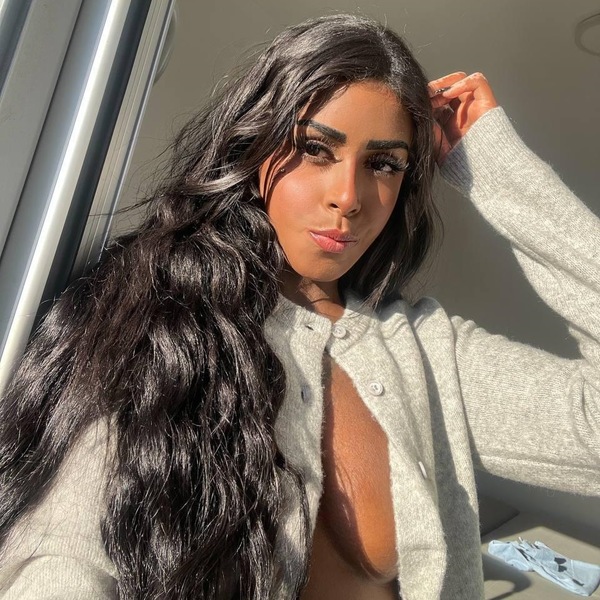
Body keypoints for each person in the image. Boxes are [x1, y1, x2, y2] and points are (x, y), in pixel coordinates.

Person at [0, 12, 598, 600]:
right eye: (316, 149)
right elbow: (62, 564)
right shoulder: (153, 324)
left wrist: (497, 167)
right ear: (255, 148)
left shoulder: (426, 352)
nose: (349, 197)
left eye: (383, 164)